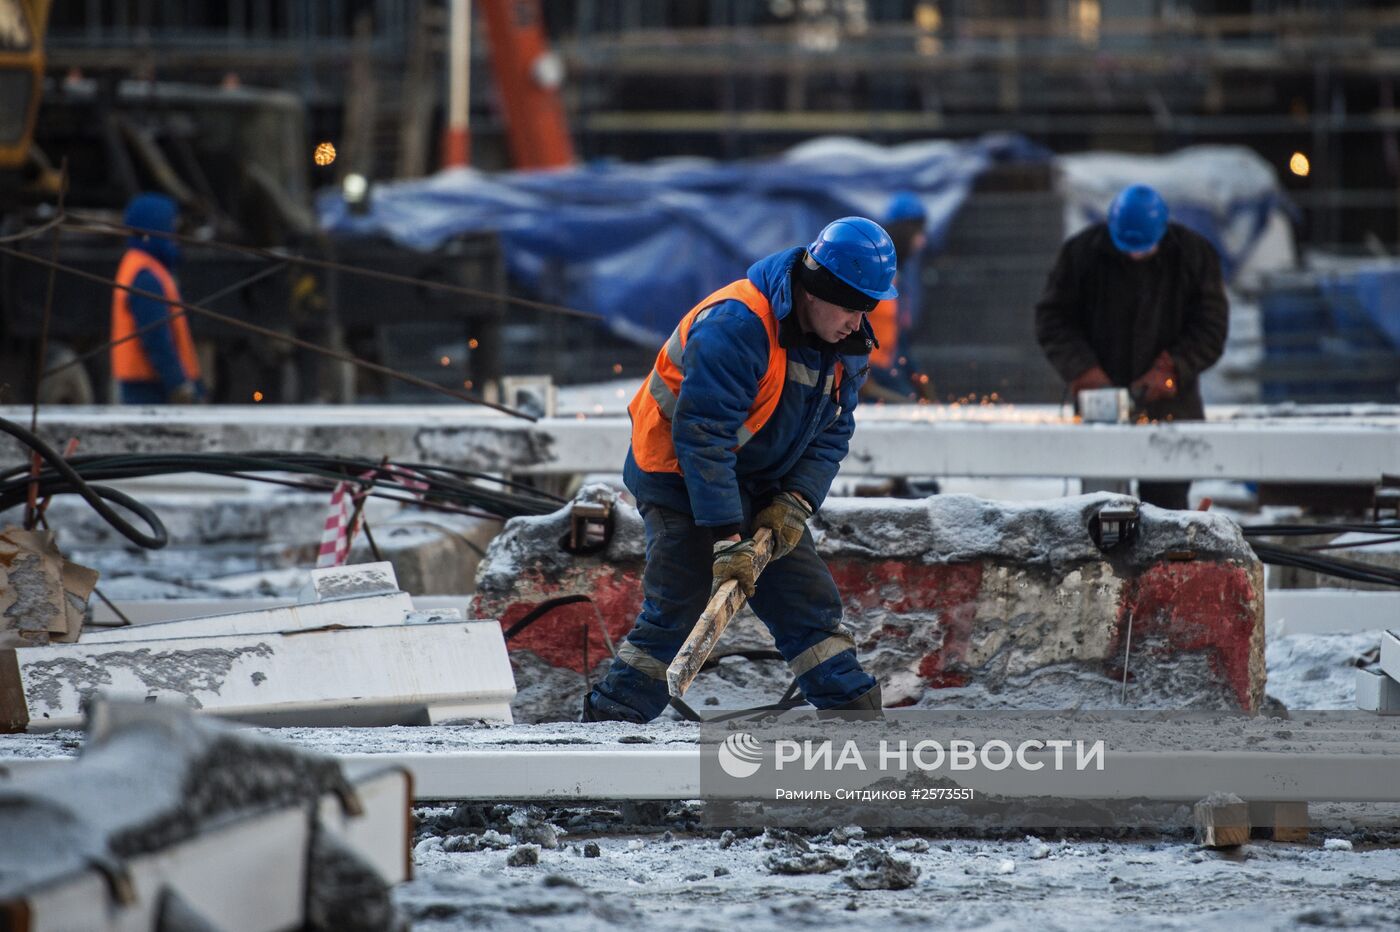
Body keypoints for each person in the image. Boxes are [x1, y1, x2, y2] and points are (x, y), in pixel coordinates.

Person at [583, 217, 894, 723]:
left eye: (868, 309)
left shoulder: (845, 341)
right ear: (817, 290)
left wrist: (793, 502)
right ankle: (607, 729)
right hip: (679, 475)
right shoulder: (738, 324)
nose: (860, 323)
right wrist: (728, 537)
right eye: (852, 307)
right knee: (679, 611)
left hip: (759, 477)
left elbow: (834, 429)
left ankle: (856, 718)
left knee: (805, 602)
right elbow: (702, 437)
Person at [1034, 184, 1228, 510]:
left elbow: (1211, 328)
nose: (1134, 254)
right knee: (1100, 517)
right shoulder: (1081, 254)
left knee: (1167, 519)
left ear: (1163, 230)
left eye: (1144, 248)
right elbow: (1053, 320)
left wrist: (1172, 369)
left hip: (1171, 412)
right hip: (1100, 413)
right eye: (1128, 248)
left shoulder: (1194, 255)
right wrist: (1084, 371)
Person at [111, 192, 205, 404]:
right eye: (170, 227)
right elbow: (156, 337)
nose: (174, 236)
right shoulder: (145, 275)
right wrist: (178, 384)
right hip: (149, 390)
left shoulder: (143, 266)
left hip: (147, 386)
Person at [863, 191, 930, 403]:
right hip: (864, 376)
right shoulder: (871, 275)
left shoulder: (897, 278)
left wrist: (919, 379)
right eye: (917, 233)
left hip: (884, 372)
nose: (921, 242)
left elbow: (898, 342)